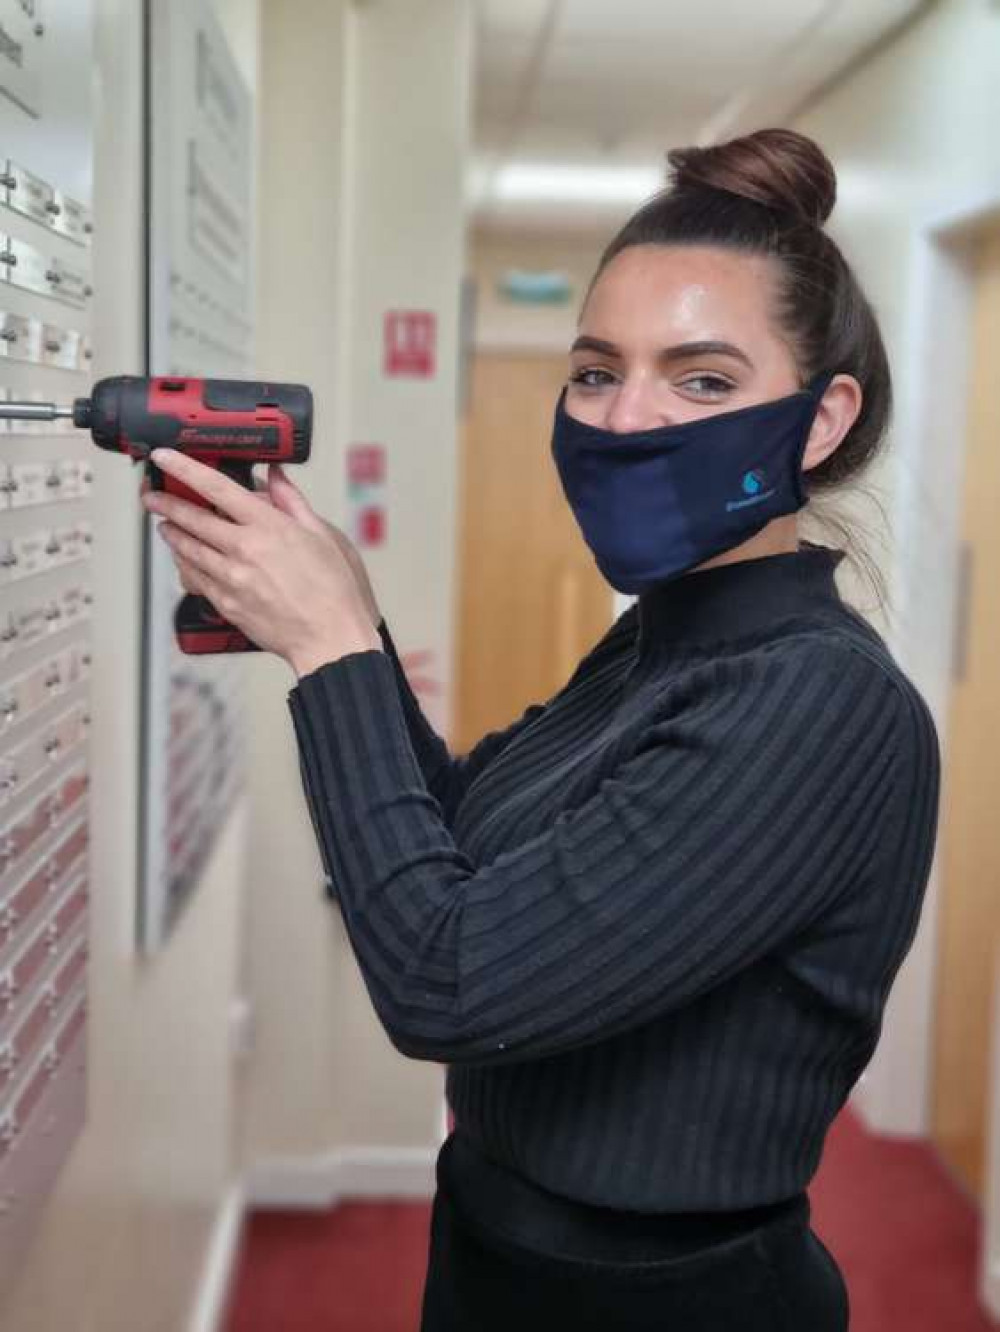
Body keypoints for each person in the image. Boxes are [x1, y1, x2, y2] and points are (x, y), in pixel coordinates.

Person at [142, 126, 941, 1330]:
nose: (623, 421)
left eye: (703, 379)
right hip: (498, 1251)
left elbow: (447, 981)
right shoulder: (664, 639)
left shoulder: (818, 702)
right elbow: (467, 843)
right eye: (592, 370)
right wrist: (341, 613)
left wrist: (331, 652)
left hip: (671, 1301)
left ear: (821, 422)